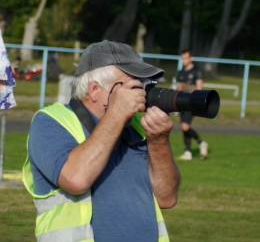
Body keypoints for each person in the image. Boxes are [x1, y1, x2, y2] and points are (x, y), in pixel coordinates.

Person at [23, 40, 181, 242]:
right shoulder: (50, 121)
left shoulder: (138, 126)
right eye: (131, 86)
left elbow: (167, 198)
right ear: (95, 89)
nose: (140, 94)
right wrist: (116, 115)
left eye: (142, 86)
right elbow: (75, 179)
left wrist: (159, 142)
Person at [175, 50, 208, 160]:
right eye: (182, 58)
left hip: (192, 102)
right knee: (184, 127)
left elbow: (199, 88)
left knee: (185, 126)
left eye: (186, 58)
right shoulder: (181, 72)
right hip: (183, 102)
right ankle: (188, 152)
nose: (184, 61)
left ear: (191, 58)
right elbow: (180, 88)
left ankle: (201, 143)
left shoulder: (196, 71)